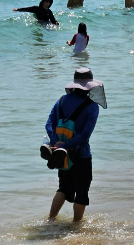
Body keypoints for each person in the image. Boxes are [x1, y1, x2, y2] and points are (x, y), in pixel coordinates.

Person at [44, 68, 106, 223]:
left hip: (62, 155)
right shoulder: (92, 106)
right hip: (81, 154)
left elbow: (49, 124)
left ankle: (50, 220)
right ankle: (76, 225)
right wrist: (67, 145)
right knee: (82, 192)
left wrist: (57, 144)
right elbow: (85, 135)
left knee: (63, 188)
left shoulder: (60, 101)